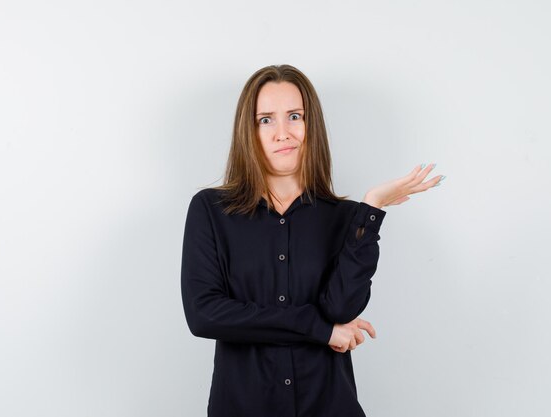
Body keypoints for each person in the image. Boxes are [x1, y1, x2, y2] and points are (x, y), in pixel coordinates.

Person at [180, 64, 445, 417]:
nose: (283, 132)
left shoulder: (346, 218)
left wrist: (372, 209)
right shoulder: (211, 210)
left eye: (294, 116)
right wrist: (319, 330)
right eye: (266, 120)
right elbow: (204, 315)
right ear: (248, 131)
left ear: (311, 126)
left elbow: (341, 309)